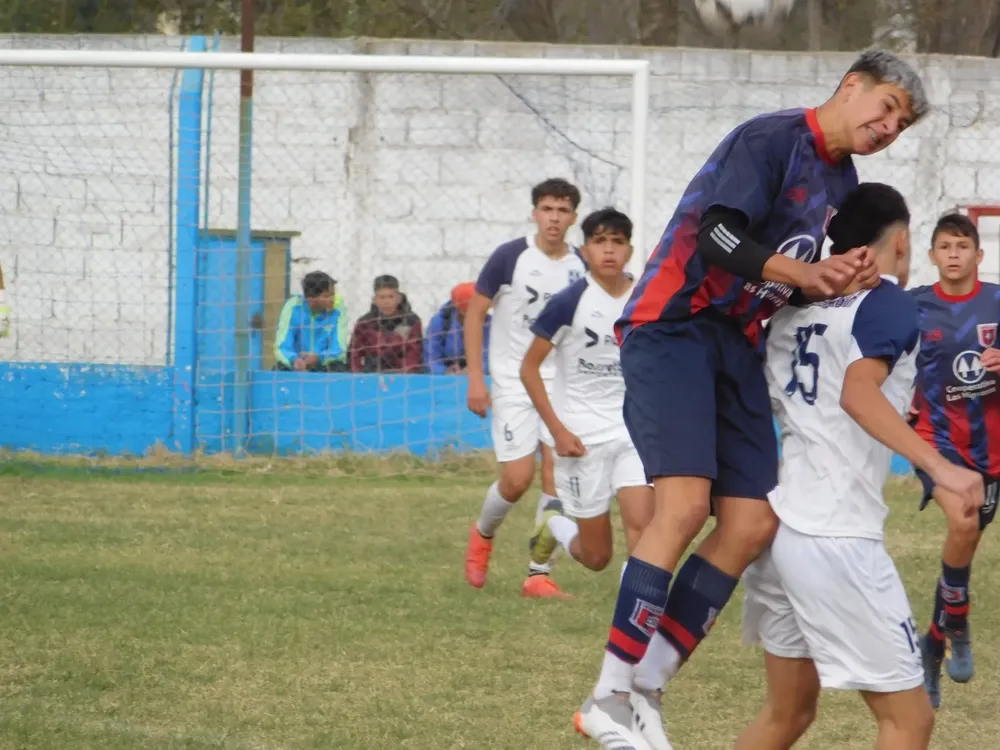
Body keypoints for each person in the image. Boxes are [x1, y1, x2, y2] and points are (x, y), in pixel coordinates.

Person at [575, 50, 932, 750]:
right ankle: (608, 696)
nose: (891, 125)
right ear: (850, 85)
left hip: (736, 342)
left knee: (751, 523)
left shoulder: (842, 180)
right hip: (672, 326)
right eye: (887, 106)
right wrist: (802, 268)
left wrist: (831, 277)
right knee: (682, 508)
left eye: (903, 122)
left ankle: (646, 688)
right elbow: (718, 234)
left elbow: (789, 274)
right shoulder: (769, 139)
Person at [739, 183, 982, 750]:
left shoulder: (788, 310)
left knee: (789, 713)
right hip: (838, 538)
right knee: (910, 720)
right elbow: (858, 394)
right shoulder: (890, 303)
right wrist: (941, 468)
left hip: (783, 531)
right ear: (900, 240)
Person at [463, 177, 586, 600]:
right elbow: (475, 313)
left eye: (563, 210)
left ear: (573, 217)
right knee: (517, 480)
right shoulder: (510, 256)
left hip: (562, 386)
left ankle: (539, 573)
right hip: (514, 382)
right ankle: (482, 533)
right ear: (535, 213)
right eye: (547, 209)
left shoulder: (582, 265)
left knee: (559, 474)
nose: (554, 218)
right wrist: (476, 378)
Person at [520, 208, 654, 578]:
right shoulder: (568, 302)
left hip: (632, 432)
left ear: (629, 250)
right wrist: (558, 432)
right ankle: (555, 524)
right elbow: (529, 368)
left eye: (617, 242)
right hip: (581, 439)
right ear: (585, 250)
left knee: (644, 530)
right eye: (599, 242)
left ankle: (637, 618)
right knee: (596, 557)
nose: (608, 250)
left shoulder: (647, 299)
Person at [909, 213, 1000, 709]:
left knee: (963, 544)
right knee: (963, 520)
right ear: (932, 255)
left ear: (978, 256)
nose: (953, 254)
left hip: (990, 452)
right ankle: (957, 623)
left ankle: (935, 640)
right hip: (936, 443)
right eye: (944, 245)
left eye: (962, 246)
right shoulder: (914, 305)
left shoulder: (997, 302)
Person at [274, 271, 348, 372]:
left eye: (333, 295)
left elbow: (339, 349)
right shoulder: (293, 307)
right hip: (297, 365)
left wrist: (319, 357)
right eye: (327, 296)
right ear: (310, 299)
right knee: (279, 368)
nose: (333, 299)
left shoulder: (338, 308)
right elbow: (282, 345)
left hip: (324, 364)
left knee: (340, 368)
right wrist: (294, 360)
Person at [349, 274, 424, 374]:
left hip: (402, 375)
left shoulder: (411, 321)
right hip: (371, 374)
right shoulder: (365, 322)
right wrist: (359, 376)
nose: (387, 301)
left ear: (398, 298)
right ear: (375, 299)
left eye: (391, 296)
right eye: (382, 297)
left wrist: (404, 375)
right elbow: (354, 354)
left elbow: (414, 354)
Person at [424, 282, 490, 375]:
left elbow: (492, 358)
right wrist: (444, 371)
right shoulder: (440, 322)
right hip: (446, 379)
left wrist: (474, 370)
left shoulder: (489, 324)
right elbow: (430, 360)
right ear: (460, 310)